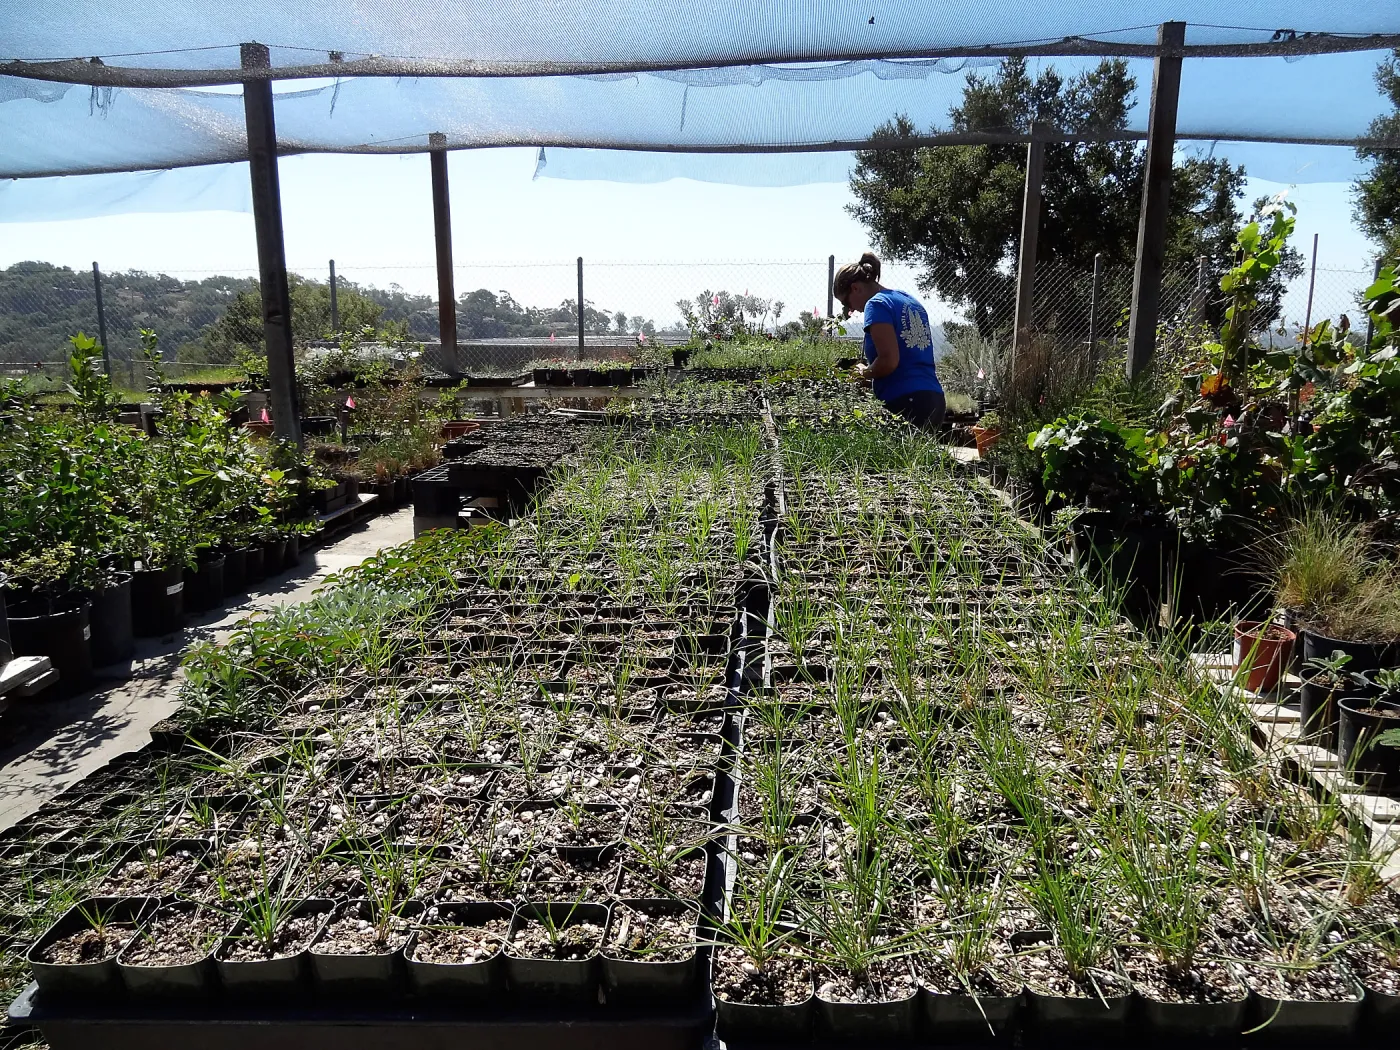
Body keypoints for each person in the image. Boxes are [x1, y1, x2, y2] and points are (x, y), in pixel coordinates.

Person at [832, 252, 946, 430]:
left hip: (905, 401)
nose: (850, 310)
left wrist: (862, 373)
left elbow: (889, 361)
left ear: (855, 288)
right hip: (934, 399)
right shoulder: (909, 300)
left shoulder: (876, 304)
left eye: (846, 303)